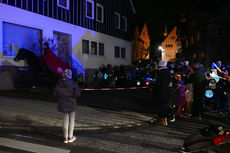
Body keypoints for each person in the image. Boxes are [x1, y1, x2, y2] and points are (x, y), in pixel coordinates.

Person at [54, 69, 81, 143]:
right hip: (72, 104)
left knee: (65, 120)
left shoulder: (59, 82)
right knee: (72, 121)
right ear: (70, 75)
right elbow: (78, 94)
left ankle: (65, 138)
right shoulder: (73, 83)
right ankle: (70, 137)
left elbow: (55, 93)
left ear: (63, 74)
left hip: (63, 104)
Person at [155, 60, 172, 126]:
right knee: (164, 105)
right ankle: (164, 120)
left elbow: (158, 84)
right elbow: (170, 84)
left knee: (161, 106)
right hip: (166, 92)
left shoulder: (160, 73)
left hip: (160, 92)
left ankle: (162, 120)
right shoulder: (168, 73)